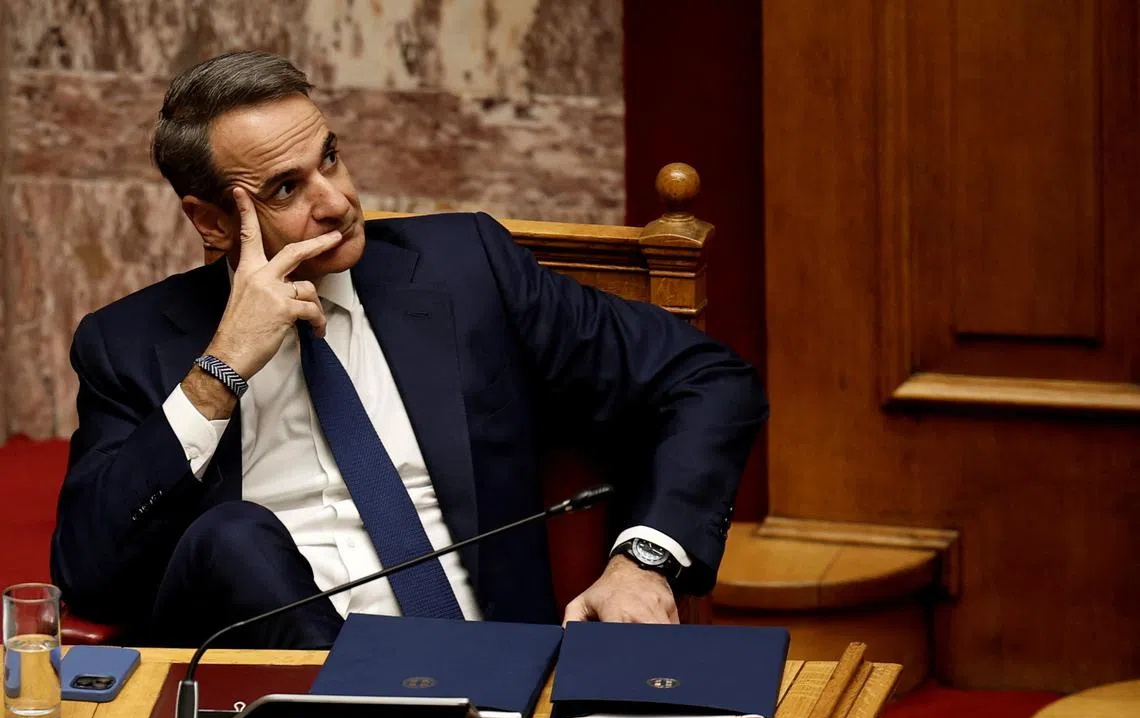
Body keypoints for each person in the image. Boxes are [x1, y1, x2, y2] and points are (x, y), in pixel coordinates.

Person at [50, 51, 767, 649]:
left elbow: (706, 378)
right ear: (209, 221)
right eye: (287, 187)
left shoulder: (465, 270)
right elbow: (91, 573)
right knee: (234, 538)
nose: (335, 202)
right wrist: (220, 370)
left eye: (330, 157)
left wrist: (644, 560)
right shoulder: (132, 342)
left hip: (496, 677)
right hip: (282, 712)